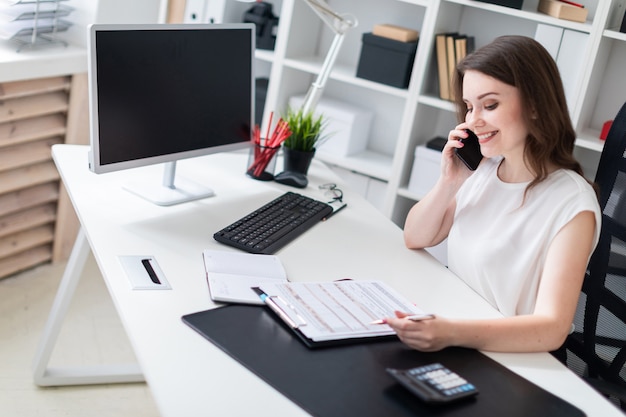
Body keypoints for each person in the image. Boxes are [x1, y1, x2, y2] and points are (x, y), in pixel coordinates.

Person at [385, 35, 601, 354]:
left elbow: (552, 328)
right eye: (469, 107)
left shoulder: (572, 204)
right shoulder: (484, 170)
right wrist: (450, 181)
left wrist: (451, 332)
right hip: (455, 327)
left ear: (536, 106)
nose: (473, 120)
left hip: (504, 354)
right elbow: (415, 237)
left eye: (490, 105)